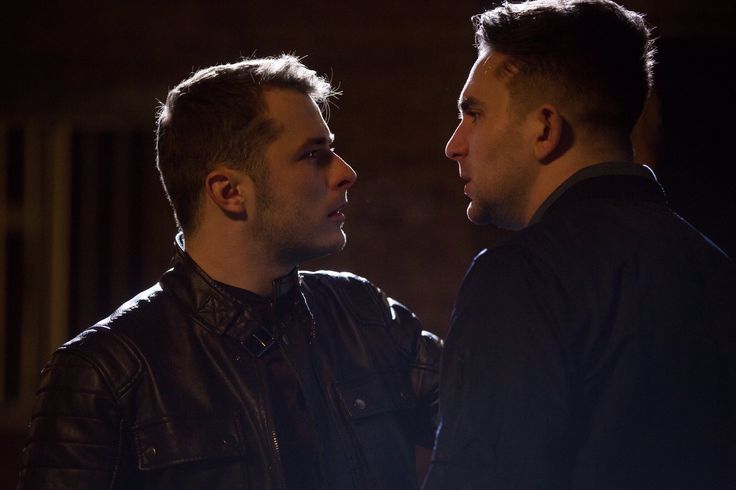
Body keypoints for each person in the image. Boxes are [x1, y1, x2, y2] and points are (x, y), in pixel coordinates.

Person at [19, 55, 441, 490]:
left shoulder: (365, 317)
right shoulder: (108, 371)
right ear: (230, 192)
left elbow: (497, 424)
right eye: (314, 155)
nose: (345, 173)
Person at [424, 1, 736, 489]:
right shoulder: (715, 270)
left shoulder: (521, 278)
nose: (454, 144)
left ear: (545, 128)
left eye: (474, 114)